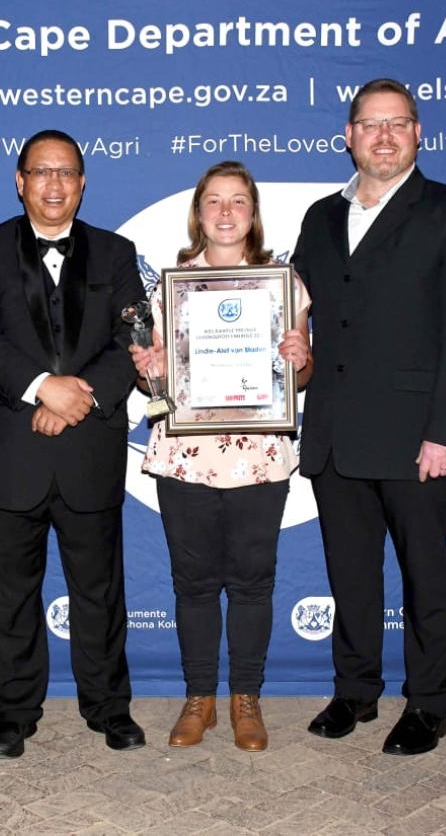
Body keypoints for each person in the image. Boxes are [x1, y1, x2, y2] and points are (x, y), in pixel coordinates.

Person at [292, 78, 446, 756]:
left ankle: (429, 701)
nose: (383, 136)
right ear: (347, 136)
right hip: (334, 432)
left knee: (424, 574)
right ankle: (355, 689)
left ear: (418, 134)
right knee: (349, 571)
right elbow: (293, 306)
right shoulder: (320, 216)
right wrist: (291, 344)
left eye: (397, 124)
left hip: (415, 435)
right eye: (369, 124)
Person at [0, 129, 146, 758]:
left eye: (66, 172)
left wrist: (75, 396)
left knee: (100, 591)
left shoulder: (118, 254)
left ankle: (109, 708)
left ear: (83, 182)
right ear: (20, 180)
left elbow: (134, 343)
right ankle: (11, 715)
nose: (55, 184)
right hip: (10, 452)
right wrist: (41, 388)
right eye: (41, 172)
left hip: (89, 447)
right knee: (8, 596)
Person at [130, 161, 312, 752]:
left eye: (238, 201)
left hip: (259, 454)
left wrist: (299, 356)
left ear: (253, 214)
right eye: (215, 201)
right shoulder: (169, 287)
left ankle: (247, 699)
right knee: (195, 583)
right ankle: (199, 698)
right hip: (187, 456)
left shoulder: (285, 283)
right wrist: (152, 374)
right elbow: (154, 388)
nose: (227, 212)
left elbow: (301, 377)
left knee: (254, 582)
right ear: (199, 213)